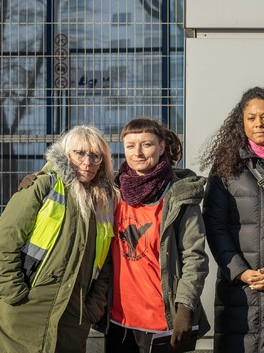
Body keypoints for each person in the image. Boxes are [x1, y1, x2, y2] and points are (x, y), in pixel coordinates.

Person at [0, 125, 116, 353]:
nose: (87, 162)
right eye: (79, 153)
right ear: (66, 154)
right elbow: (3, 244)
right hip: (20, 314)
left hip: (71, 321)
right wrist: (14, 293)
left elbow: (105, 263)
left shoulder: (104, 203)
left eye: (95, 155)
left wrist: (93, 307)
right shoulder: (43, 185)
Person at [105, 117, 209, 352]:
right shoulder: (112, 191)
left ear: (161, 147)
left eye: (147, 144)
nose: (138, 153)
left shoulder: (180, 196)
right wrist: (40, 179)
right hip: (118, 322)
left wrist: (185, 307)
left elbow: (194, 257)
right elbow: (77, 174)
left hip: (162, 323)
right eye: (130, 146)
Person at [201, 87, 264, 353]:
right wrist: (240, 272)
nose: (259, 124)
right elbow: (215, 226)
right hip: (239, 291)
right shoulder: (225, 167)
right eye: (251, 118)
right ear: (241, 123)